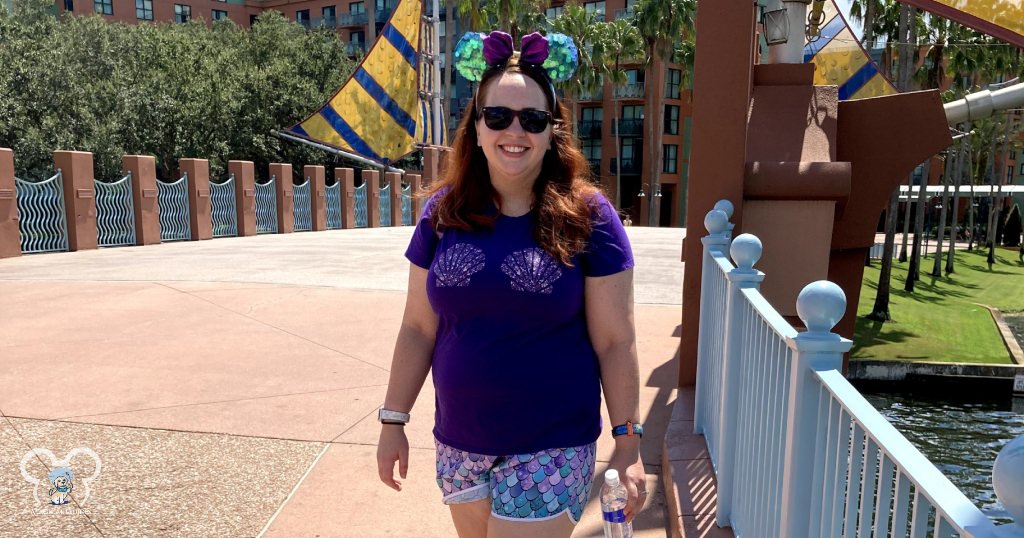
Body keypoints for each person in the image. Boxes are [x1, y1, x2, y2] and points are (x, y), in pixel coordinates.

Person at [376, 30, 646, 538]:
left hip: (551, 445)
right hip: (459, 442)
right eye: (497, 116)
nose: (513, 130)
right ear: (476, 129)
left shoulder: (590, 218)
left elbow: (616, 340)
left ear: (552, 132)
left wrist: (629, 442)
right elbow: (417, 327)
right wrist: (394, 420)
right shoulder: (443, 211)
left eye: (533, 119)